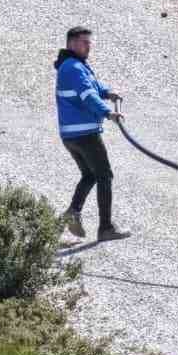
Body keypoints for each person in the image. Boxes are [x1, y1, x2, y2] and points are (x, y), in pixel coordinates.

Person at [55, 27, 131, 241]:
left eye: (89, 42)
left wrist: (107, 92)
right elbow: (88, 95)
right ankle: (106, 228)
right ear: (71, 44)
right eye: (83, 42)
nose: (88, 46)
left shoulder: (73, 66)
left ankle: (72, 213)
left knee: (90, 175)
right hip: (85, 134)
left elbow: (93, 87)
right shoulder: (74, 68)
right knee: (104, 176)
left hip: (70, 135)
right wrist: (108, 113)